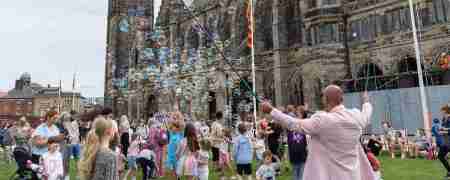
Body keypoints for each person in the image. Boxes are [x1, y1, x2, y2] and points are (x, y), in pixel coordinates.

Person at [261, 85, 376, 180]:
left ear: (325, 100)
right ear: (342, 99)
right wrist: (366, 102)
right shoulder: (356, 116)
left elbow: (294, 124)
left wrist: (272, 110)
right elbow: (366, 115)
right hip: (353, 175)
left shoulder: (323, 120)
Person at [31, 110, 64, 180]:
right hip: (39, 156)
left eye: (57, 118)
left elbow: (56, 142)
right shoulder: (40, 128)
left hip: (51, 157)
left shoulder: (55, 128)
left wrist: (59, 139)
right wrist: (50, 140)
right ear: (48, 117)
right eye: (54, 118)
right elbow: (37, 143)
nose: (56, 120)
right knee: (39, 177)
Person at [433, 109, 450, 178]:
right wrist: (440, 129)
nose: (442, 113)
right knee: (440, 156)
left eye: (443, 112)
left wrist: (443, 131)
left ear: (446, 112)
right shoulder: (443, 119)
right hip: (445, 141)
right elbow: (444, 128)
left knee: (441, 156)